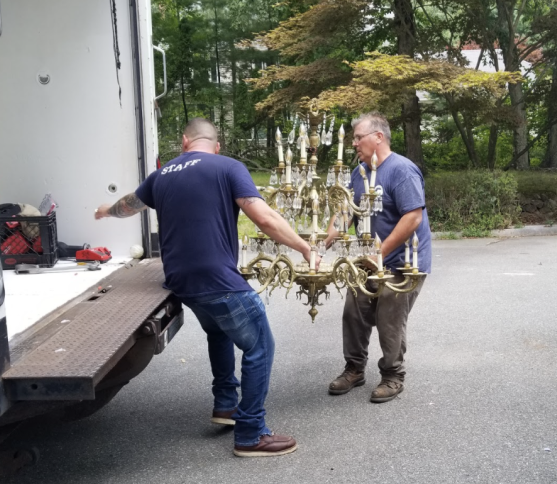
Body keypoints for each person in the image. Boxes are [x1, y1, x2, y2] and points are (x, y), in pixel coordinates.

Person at [95, 118, 313, 457]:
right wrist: (303, 246)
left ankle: (226, 404)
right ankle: (251, 433)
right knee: (260, 347)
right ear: (217, 145)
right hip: (218, 281)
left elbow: (129, 204)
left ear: (184, 141)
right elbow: (264, 217)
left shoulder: (161, 175)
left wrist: (105, 211)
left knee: (220, 333)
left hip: (183, 284)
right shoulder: (228, 167)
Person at [325, 112, 431, 403]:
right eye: (354, 138)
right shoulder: (359, 172)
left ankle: (393, 375)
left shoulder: (401, 170)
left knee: (389, 316)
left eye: (359, 137)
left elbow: (412, 216)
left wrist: (380, 252)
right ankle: (354, 369)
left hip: (403, 261)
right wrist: (321, 243)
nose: (355, 143)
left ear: (378, 137)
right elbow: (345, 212)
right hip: (367, 260)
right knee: (354, 312)